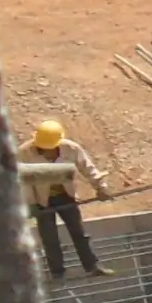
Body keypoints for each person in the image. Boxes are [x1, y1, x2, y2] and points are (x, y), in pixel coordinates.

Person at [19, 118, 107, 277]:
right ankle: (58, 273)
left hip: (66, 195)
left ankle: (92, 266)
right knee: (49, 238)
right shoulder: (25, 153)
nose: (47, 151)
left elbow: (87, 167)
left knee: (79, 233)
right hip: (42, 201)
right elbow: (25, 182)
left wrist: (100, 187)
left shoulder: (71, 149)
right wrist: (31, 204)